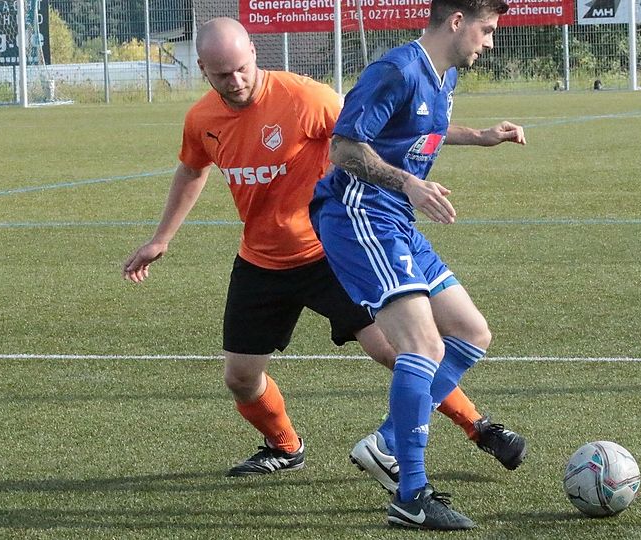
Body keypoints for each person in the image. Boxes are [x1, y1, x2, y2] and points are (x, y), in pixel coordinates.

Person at [122, 17, 523, 481]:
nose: (235, 81)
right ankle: (285, 447)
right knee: (241, 378)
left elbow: (382, 130)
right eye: (222, 74)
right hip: (261, 262)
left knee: (399, 351)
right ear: (202, 70)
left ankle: (477, 425)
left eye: (241, 69)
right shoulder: (201, 120)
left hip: (330, 252)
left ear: (254, 53)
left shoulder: (304, 97)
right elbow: (192, 171)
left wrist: (476, 136)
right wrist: (161, 238)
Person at [309, 0, 526, 530]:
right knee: (423, 346)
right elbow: (344, 148)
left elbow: (421, 128)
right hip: (359, 214)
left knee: (471, 332)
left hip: (396, 218)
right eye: (486, 30)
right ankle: (411, 497)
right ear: (456, 22)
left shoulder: (443, 74)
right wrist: (409, 182)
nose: (490, 42)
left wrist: (481, 136)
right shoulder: (396, 70)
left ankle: (387, 440)